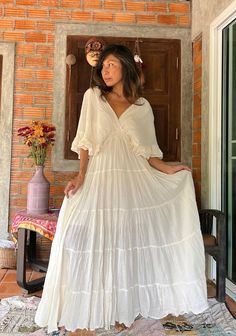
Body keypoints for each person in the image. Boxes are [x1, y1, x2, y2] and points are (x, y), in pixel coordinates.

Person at [35, 44, 208, 334]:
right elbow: (86, 142)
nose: (105, 70)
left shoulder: (142, 107)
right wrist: (80, 176)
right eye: (103, 66)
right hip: (100, 179)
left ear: (126, 67)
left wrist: (169, 170)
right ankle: (87, 308)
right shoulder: (93, 98)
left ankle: (121, 309)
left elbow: (149, 153)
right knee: (88, 240)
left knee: (125, 244)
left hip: (132, 182)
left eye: (111, 65)